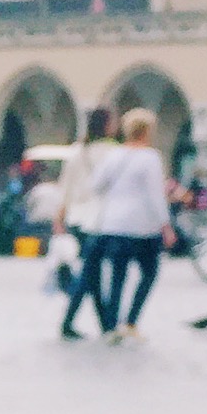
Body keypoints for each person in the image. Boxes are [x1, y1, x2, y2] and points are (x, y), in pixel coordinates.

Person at [89, 106, 175, 343]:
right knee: (149, 273)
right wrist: (165, 225)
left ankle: (111, 326)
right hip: (142, 228)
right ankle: (130, 321)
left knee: (117, 277)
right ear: (146, 131)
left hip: (114, 224)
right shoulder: (150, 158)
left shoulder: (113, 155)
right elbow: (155, 195)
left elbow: (96, 184)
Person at [56, 106, 120, 340]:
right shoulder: (114, 153)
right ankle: (94, 324)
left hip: (76, 218)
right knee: (89, 273)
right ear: (106, 125)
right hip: (100, 219)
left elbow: (65, 188)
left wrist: (59, 217)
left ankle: (99, 324)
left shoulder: (76, 152)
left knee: (90, 272)